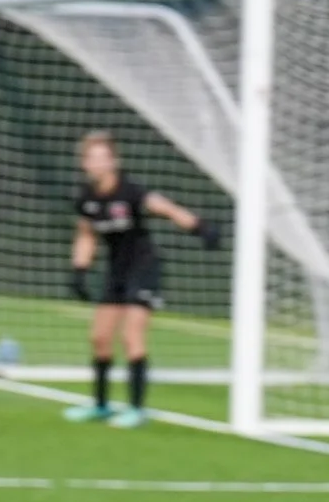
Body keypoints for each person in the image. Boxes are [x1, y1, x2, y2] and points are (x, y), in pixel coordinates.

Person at [66, 132, 218, 428]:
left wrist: (200, 227)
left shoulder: (130, 192)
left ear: (114, 161)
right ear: (84, 164)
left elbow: (166, 208)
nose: (97, 164)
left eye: (103, 158)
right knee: (99, 338)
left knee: (131, 335)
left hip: (144, 267)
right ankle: (100, 405)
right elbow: (86, 235)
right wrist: (79, 271)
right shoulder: (87, 199)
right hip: (116, 271)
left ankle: (136, 409)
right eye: (91, 159)